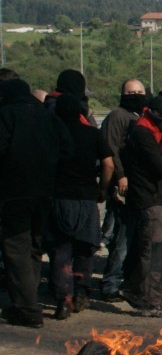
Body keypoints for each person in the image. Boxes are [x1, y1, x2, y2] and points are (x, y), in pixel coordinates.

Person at [0, 79, 72, 327]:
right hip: (45, 192)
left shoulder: (6, 114)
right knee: (33, 247)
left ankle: (28, 309)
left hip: (14, 192)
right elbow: (68, 150)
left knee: (16, 248)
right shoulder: (48, 117)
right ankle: (28, 300)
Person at [45, 94, 113, 319]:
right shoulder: (92, 133)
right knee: (85, 248)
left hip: (59, 199)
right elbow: (108, 164)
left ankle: (63, 299)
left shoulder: (51, 134)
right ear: (81, 112)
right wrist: (103, 189)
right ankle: (81, 291)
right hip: (86, 198)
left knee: (61, 251)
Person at [120, 94, 162, 317]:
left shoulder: (154, 132)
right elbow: (161, 166)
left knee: (157, 251)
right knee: (154, 252)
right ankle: (147, 300)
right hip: (148, 199)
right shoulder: (143, 133)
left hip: (155, 199)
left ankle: (148, 296)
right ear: (152, 113)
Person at [98, 78, 148, 300]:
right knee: (121, 236)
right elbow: (110, 149)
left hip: (140, 186)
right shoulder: (117, 116)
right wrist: (120, 176)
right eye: (131, 92)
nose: (136, 96)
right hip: (123, 185)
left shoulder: (141, 117)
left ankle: (127, 281)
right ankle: (110, 283)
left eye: (139, 92)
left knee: (135, 237)